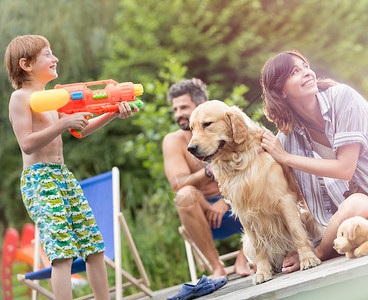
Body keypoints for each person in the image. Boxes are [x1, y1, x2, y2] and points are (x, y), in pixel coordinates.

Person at [260, 50, 368, 273]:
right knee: (354, 209)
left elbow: (345, 168)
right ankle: (341, 241)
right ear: (280, 91)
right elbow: (262, 169)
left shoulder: (343, 97)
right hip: (364, 204)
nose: (307, 73)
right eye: (294, 72)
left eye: (305, 66)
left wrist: (286, 158)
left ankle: (320, 253)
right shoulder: (288, 137)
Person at [5, 35, 139, 300]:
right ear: (26, 64)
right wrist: (63, 124)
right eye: (48, 54)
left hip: (63, 176)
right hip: (40, 179)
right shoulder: (20, 98)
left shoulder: (53, 98)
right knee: (62, 252)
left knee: (94, 246)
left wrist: (112, 112)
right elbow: (27, 144)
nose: (55, 59)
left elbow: (82, 129)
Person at [162, 78, 254, 279]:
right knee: (184, 195)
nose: (179, 114)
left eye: (184, 107)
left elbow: (251, 170)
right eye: (175, 109)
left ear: (201, 105)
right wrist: (208, 172)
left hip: (243, 203)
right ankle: (216, 268)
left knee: (260, 183)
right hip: (207, 215)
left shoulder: (224, 127)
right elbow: (178, 184)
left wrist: (226, 200)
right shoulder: (173, 141)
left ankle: (246, 257)